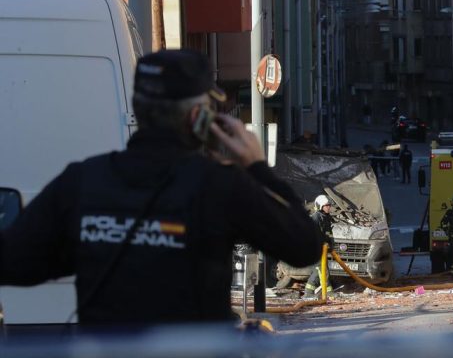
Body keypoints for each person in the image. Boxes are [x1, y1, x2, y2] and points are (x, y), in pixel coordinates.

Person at [0, 49, 322, 326]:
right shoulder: (219, 187)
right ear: (199, 117)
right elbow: (305, 245)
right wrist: (256, 167)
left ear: (138, 108)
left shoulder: (81, 182)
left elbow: (13, 262)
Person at [303, 195, 335, 298]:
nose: (328, 207)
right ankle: (328, 293)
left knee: (318, 271)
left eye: (329, 205)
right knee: (323, 271)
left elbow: (328, 234)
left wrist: (331, 245)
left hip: (323, 249)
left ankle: (308, 292)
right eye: (326, 206)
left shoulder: (326, 217)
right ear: (320, 206)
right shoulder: (316, 217)